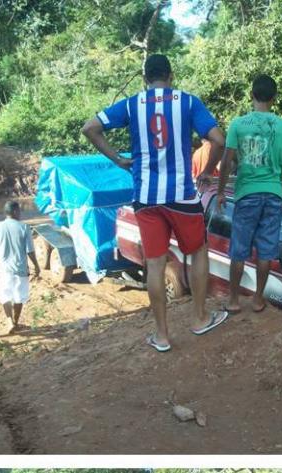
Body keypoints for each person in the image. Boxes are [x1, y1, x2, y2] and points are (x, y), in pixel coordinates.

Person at [82, 53, 228, 353]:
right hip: (182, 196)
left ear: (145, 79)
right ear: (171, 76)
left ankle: (161, 336)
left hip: (145, 197)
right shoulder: (187, 102)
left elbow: (90, 128)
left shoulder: (132, 104)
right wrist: (207, 173)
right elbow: (219, 140)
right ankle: (200, 319)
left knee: (155, 264)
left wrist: (120, 160)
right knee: (199, 251)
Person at [216, 75, 282, 314]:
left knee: (239, 248)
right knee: (266, 249)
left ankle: (233, 300)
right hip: (273, 194)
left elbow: (227, 159)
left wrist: (220, 191)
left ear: (251, 95)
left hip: (246, 194)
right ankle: (258, 299)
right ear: (274, 98)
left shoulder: (238, 125)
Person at [0, 201, 40, 334]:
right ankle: (15, 322)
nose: (20, 213)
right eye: (19, 211)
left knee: (4, 295)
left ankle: (9, 321)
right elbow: (30, 250)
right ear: (15, 212)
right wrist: (36, 265)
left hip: (3, 269)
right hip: (20, 269)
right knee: (19, 297)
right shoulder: (24, 227)